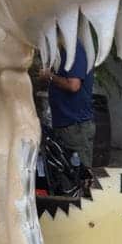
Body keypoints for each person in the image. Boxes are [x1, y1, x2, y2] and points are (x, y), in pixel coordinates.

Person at [39, 39, 95, 174]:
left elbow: (73, 85)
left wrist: (50, 76)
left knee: (80, 173)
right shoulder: (63, 53)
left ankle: (82, 194)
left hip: (75, 125)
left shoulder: (74, 51)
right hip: (66, 124)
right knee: (67, 171)